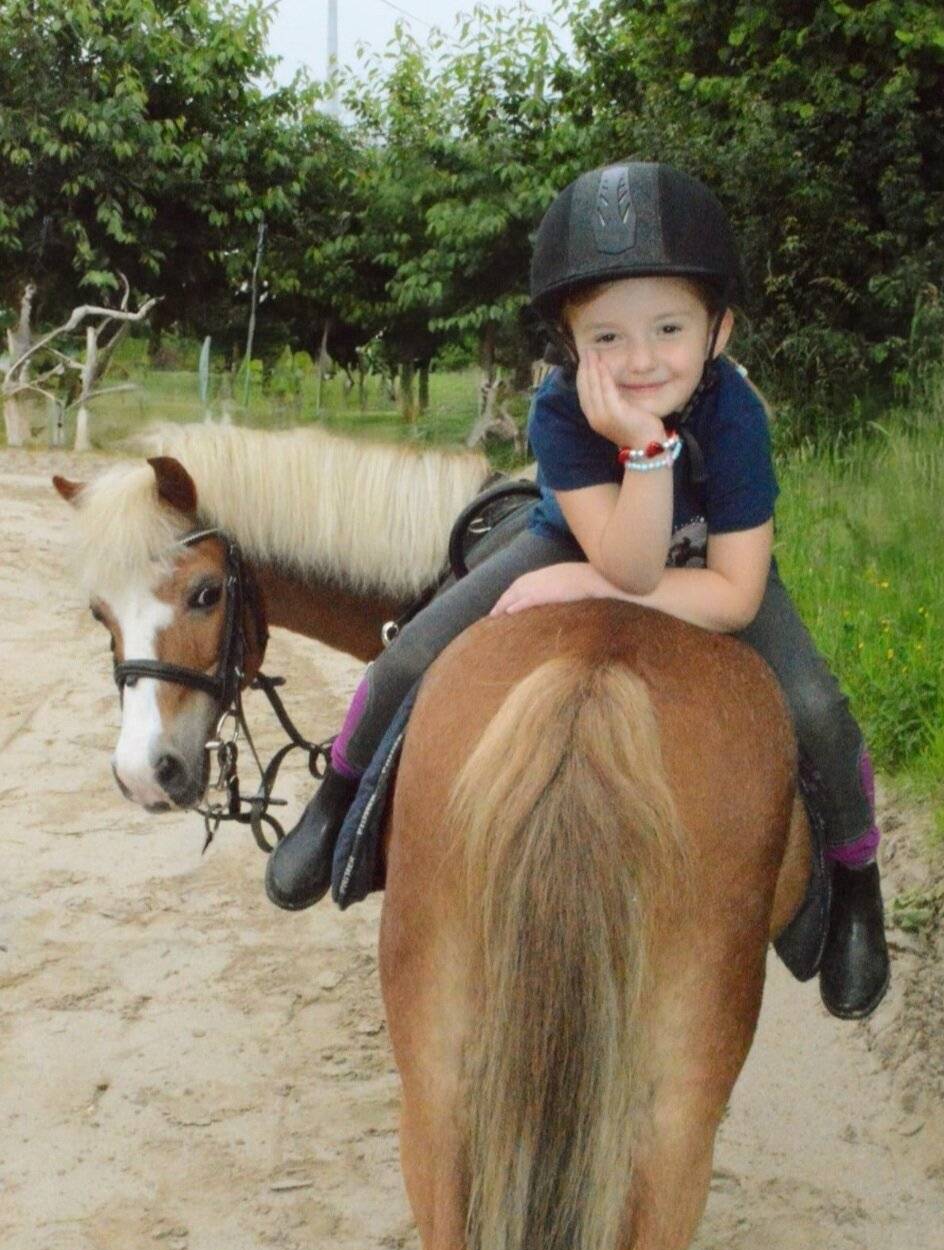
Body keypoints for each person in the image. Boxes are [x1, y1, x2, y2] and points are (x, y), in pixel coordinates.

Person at [265, 161, 889, 1020]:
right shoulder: (559, 411)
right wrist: (616, 502)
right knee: (413, 649)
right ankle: (338, 798)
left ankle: (858, 880)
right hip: (582, 532)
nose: (639, 362)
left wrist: (598, 555)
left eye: (669, 327)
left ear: (720, 329)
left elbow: (734, 596)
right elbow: (627, 557)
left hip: (707, 561)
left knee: (816, 707)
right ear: (568, 340)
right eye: (607, 338)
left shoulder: (734, 413)